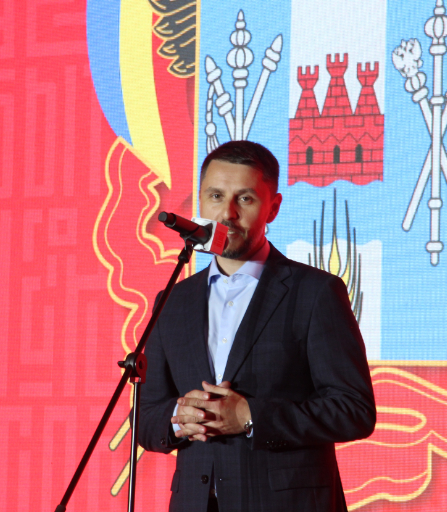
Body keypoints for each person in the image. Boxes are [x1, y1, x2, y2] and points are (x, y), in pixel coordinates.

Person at [138, 141, 376, 512]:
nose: (227, 213)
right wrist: (178, 419)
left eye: (245, 199)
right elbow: (145, 420)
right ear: (200, 201)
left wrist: (250, 416)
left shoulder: (315, 292)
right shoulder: (173, 300)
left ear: (273, 208)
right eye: (216, 196)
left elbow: (353, 411)